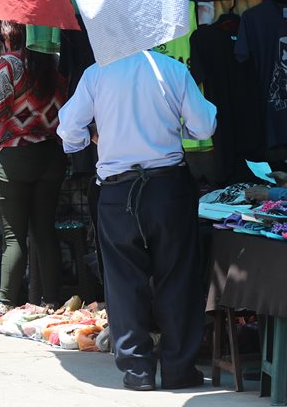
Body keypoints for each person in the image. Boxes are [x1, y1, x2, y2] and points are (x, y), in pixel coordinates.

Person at [58, 50, 217, 392]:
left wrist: (91, 139)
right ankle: (178, 368)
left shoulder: (97, 74)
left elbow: (68, 130)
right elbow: (204, 126)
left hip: (117, 192)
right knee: (177, 277)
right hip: (167, 188)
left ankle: (138, 371)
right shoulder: (172, 70)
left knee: (123, 281)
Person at [0, 21, 68, 316]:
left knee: (14, 235)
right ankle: (52, 301)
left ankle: (5, 303)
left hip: (15, 157)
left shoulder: (10, 64)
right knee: (45, 231)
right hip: (52, 154)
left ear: (10, 33)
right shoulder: (56, 64)